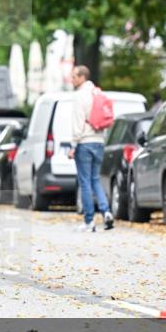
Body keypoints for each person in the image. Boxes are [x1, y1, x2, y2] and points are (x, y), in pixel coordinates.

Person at [68, 65, 114, 232]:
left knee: (85, 182)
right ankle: (106, 212)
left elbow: (78, 123)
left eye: (74, 77)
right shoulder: (98, 93)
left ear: (82, 77)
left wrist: (73, 145)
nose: (71, 80)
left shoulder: (80, 96)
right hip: (99, 142)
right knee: (95, 179)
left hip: (84, 142)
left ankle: (89, 221)